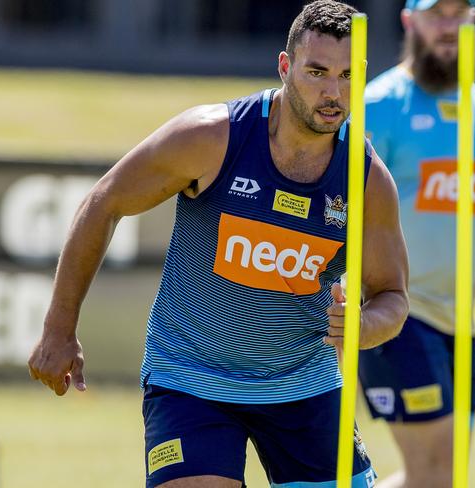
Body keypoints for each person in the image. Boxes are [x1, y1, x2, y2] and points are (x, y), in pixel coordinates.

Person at [27, 1, 410, 487]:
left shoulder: (367, 178)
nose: (332, 92)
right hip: (190, 377)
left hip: (302, 384)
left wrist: (363, 324)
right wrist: (59, 328)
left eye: (347, 75)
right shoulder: (211, 137)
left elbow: (392, 297)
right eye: (316, 72)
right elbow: (104, 202)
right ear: (286, 67)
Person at [357, 1, 475, 487]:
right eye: (436, 14)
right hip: (397, 314)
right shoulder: (380, 105)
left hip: (458, 323)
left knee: (439, 476)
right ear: (409, 21)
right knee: (437, 474)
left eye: (459, 14)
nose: (449, 26)